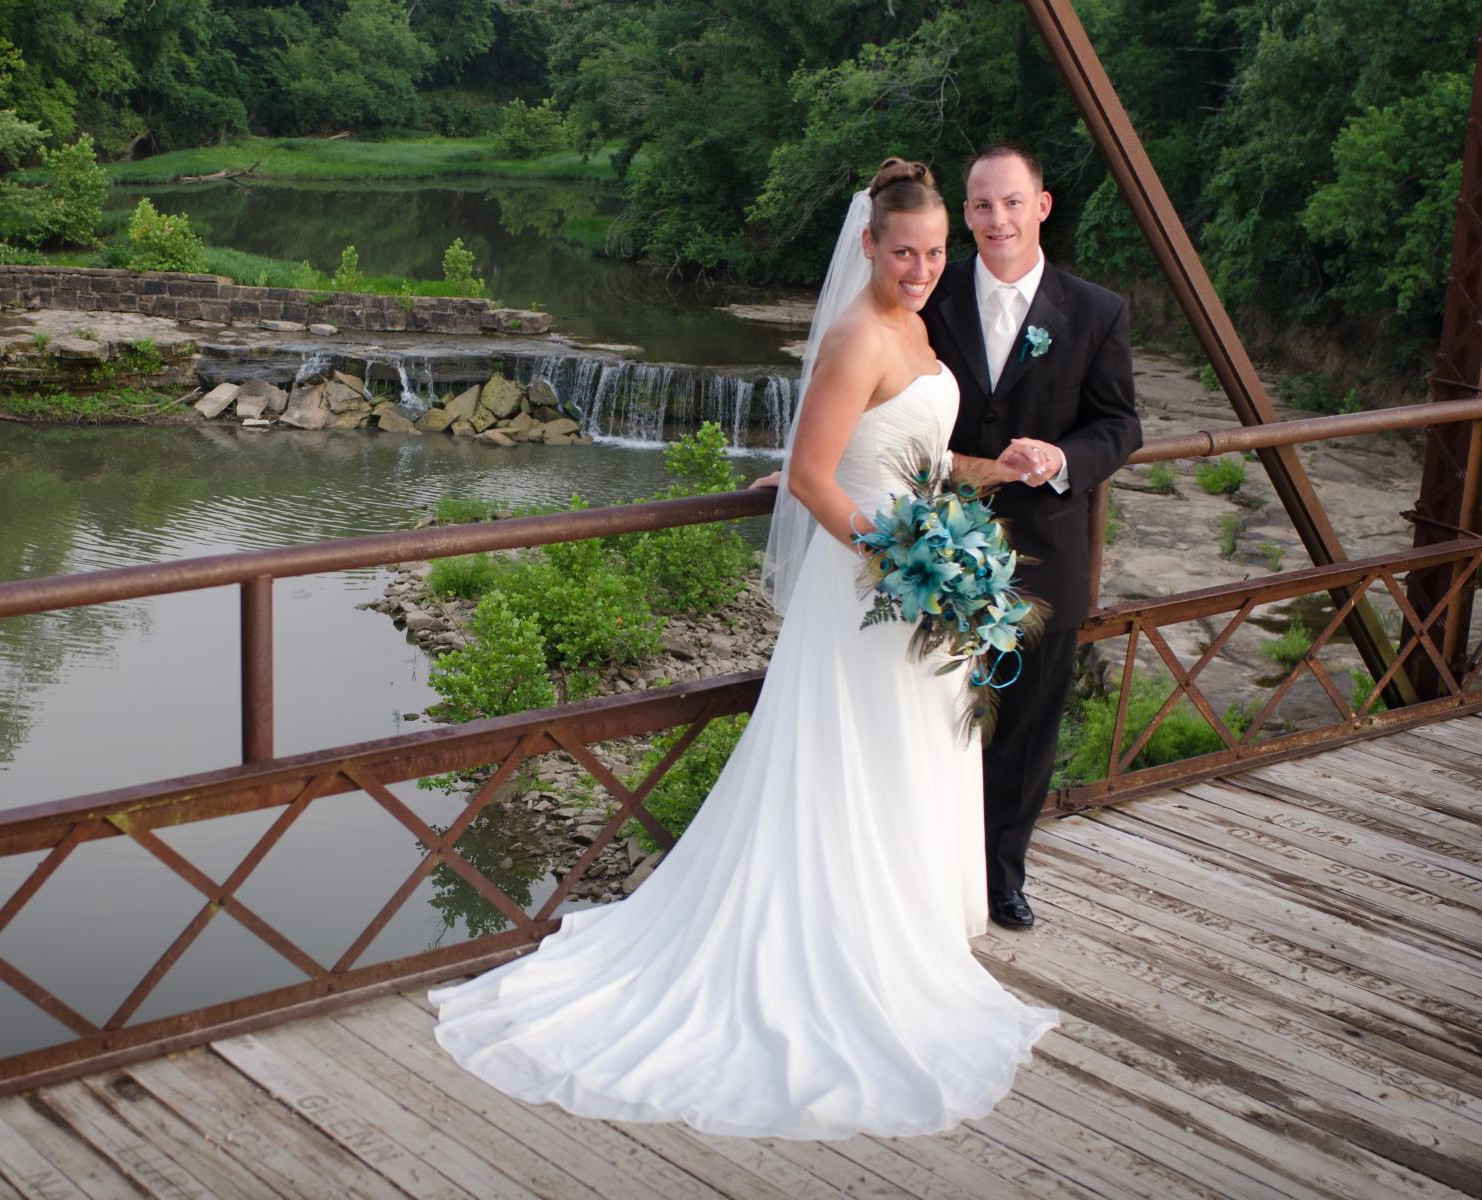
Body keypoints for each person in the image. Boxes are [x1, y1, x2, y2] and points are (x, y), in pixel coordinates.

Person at [430, 160, 1057, 1140]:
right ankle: (838, 948)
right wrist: (894, 557)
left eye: (936, 252)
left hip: (913, 583)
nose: (922, 268)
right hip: (865, 591)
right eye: (904, 252)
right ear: (868, 247)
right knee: (843, 765)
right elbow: (813, 477)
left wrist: (990, 470)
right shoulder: (856, 334)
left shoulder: (919, 329)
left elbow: (920, 460)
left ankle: (904, 932)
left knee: (908, 758)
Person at [923, 144, 1141, 931]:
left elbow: (1120, 424)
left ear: (1041, 206)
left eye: (1011, 202)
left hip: (1044, 555)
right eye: (980, 205)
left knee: (1021, 726)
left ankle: (999, 881)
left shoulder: (1094, 311)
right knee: (926, 711)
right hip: (931, 546)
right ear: (965, 210)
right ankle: (918, 875)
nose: (996, 219)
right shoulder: (926, 291)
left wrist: (1061, 459)